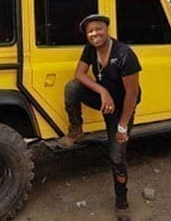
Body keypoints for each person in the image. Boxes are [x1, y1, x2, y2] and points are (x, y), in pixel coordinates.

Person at [57, 14, 141, 210]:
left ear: (107, 29)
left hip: (121, 108)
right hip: (104, 100)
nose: (95, 33)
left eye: (98, 28)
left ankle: (121, 198)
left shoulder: (124, 54)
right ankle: (76, 130)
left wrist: (122, 126)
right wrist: (102, 91)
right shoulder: (90, 49)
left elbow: (132, 95)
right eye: (90, 31)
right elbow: (79, 74)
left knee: (117, 156)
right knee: (73, 88)